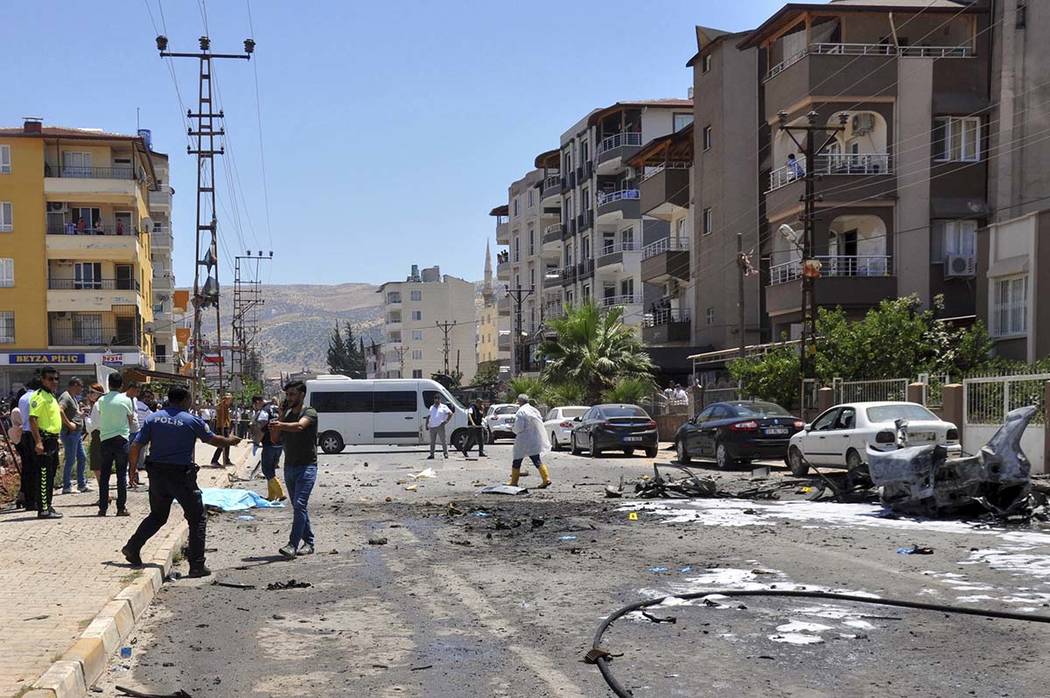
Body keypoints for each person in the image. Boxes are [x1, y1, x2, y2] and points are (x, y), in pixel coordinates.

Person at [121, 386, 242, 578]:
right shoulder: (191, 420)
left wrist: (132, 470)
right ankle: (196, 565)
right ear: (186, 400)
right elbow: (212, 440)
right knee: (197, 517)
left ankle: (133, 546)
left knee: (158, 516)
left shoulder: (153, 418)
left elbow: (136, 445)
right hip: (181, 476)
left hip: (157, 475)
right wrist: (230, 441)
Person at [268, 381, 318, 559]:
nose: (289, 398)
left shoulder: (309, 412)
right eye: (287, 395)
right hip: (290, 467)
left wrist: (280, 424)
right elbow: (275, 440)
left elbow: (300, 426)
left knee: (299, 505)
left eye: (293, 394)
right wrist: (280, 418)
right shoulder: (286, 414)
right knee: (299, 507)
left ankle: (292, 545)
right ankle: (309, 542)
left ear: (302, 395)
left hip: (307, 467)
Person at [97, 372, 136, 516]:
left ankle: (102, 508)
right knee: (121, 475)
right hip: (121, 440)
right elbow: (131, 420)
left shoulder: (101, 400)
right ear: (121, 386)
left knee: (105, 476)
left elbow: (99, 416)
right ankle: (121, 508)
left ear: (109, 384)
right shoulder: (126, 400)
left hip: (106, 440)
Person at [29, 367, 64, 518]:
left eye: (56, 379)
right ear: (43, 380)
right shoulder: (39, 397)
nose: (54, 382)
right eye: (50, 379)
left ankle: (48, 505)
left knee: (50, 475)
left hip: (52, 440)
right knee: (43, 475)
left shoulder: (51, 396)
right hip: (43, 439)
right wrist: (38, 442)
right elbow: (32, 419)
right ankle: (43, 509)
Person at [509, 394, 551, 488]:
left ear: (519, 401)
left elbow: (519, 427)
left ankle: (514, 481)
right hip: (534, 439)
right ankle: (546, 478)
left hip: (523, 440)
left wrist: (512, 429)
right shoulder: (533, 410)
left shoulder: (521, 411)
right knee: (536, 459)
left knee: (517, 460)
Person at [251, 395, 286, 502]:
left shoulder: (264, 411)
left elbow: (261, 428)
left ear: (257, 402)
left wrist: (256, 442)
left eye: (254, 405)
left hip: (269, 444)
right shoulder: (275, 407)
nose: (255, 408)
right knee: (271, 470)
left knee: (266, 470)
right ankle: (271, 496)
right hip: (279, 444)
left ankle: (280, 494)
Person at [58, 377, 90, 494]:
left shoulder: (73, 398)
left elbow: (72, 413)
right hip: (70, 433)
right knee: (70, 459)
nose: (81, 390)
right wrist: (69, 424)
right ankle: (67, 486)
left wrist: (80, 415)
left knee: (82, 457)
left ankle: (82, 484)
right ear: (75, 385)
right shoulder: (65, 397)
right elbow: (60, 410)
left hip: (76, 434)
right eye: (80, 387)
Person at [16, 380, 40, 510]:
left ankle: (28, 500)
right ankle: (36, 500)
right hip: (34, 434)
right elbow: (35, 418)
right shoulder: (36, 398)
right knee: (37, 469)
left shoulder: (22, 398)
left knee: (27, 469)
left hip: (25, 434)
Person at [84, 383, 105, 495]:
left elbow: (92, 427)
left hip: (97, 436)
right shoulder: (105, 403)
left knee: (97, 466)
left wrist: (86, 417)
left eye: (92, 392)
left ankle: (103, 494)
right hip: (107, 435)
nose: (89, 395)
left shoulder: (97, 405)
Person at [426, 393, 453, 460]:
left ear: (440, 400)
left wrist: (446, 421)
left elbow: (450, 413)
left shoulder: (443, 407)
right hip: (432, 426)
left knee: (443, 441)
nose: (436, 401)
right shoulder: (431, 407)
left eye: (438, 399)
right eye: (435, 399)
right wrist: (426, 424)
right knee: (432, 441)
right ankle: (432, 454)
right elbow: (428, 416)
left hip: (440, 426)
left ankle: (445, 453)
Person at [210, 394, 234, 466]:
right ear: (225, 399)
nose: (231, 401)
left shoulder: (226, 406)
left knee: (227, 444)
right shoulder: (221, 406)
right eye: (229, 399)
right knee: (222, 444)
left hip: (225, 426)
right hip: (221, 427)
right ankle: (214, 460)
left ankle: (226, 459)